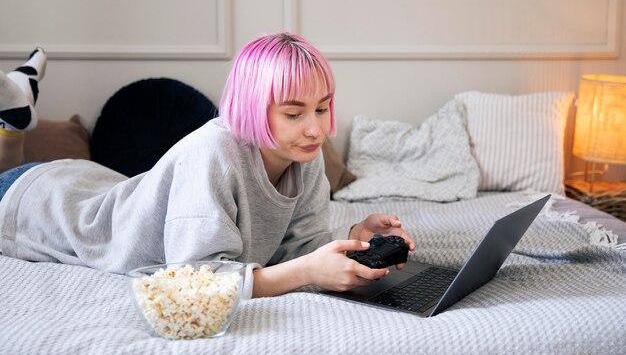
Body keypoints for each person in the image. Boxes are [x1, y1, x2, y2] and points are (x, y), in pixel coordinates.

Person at [0, 33, 415, 299]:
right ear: (253, 108)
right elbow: (195, 282)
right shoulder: (214, 153)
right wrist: (307, 272)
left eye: (322, 109)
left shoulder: (303, 155)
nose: (315, 129)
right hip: (38, 200)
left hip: (97, 184)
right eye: (294, 114)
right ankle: (13, 111)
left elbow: (296, 248)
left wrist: (354, 240)